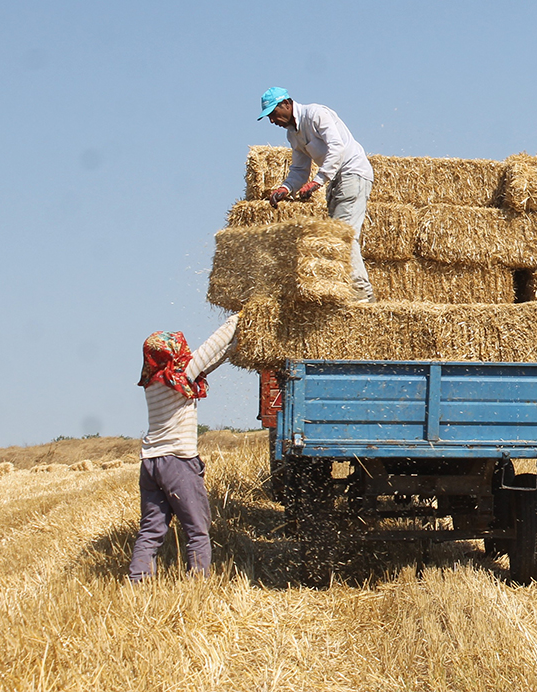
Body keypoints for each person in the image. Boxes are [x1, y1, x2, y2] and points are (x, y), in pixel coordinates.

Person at [128, 314, 239, 582]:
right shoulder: (180, 376)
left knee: (150, 530)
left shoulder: (153, 382)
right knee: (197, 529)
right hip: (177, 462)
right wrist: (238, 319)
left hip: (150, 462)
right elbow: (212, 347)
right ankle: (198, 582)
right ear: (172, 354)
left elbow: (211, 360)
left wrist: (234, 348)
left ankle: (137, 581)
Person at [259, 87, 376, 303]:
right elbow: (299, 169)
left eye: (273, 113)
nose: (272, 120)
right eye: (269, 117)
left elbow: (337, 147)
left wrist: (317, 181)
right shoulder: (292, 134)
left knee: (343, 235)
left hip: (352, 173)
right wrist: (285, 188)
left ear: (287, 104)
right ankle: (349, 292)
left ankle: (363, 294)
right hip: (336, 179)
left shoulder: (315, 114)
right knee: (334, 237)